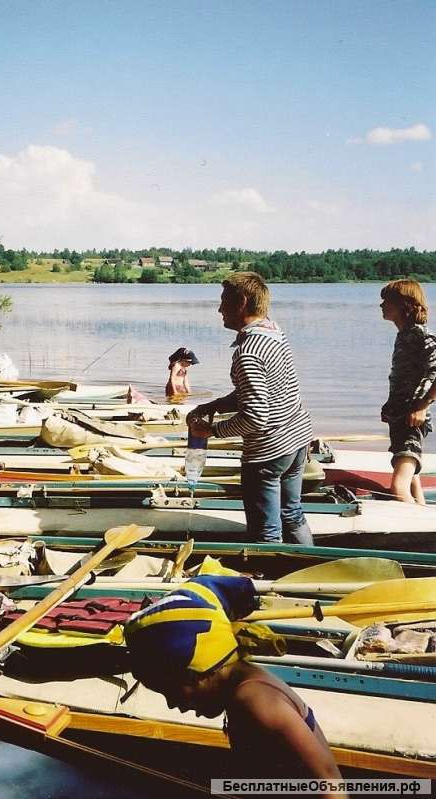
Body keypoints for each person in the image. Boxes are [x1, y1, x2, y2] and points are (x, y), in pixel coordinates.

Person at [124, 575, 345, 793]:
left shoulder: (254, 701)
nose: (173, 704)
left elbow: (330, 784)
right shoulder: (245, 687)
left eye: (170, 692)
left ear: (195, 674)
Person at [186, 272, 313, 544]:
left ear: (241, 302)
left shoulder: (247, 352)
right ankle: (310, 568)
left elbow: (256, 416)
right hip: (298, 438)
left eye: (223, 301)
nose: (219, 309)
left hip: (269, 451)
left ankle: (268, 582)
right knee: (291, 513)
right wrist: (217, 405)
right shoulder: (273, 332)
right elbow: (267, 389)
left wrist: (213, 431)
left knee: (265, 531)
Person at [380, 279, 436, 504]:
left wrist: (423, 406)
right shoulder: (404, 334)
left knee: (397, 487)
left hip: (412, 419)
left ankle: (409, 534)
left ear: (405, 305)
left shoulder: (420, 334)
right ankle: (423, 519)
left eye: (387, 301)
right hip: (400, 416)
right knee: (413, 481)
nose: (381, 305)